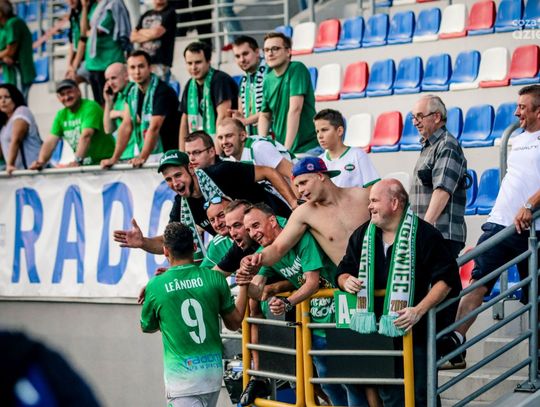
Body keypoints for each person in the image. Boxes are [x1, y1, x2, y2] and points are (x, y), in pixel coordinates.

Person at [440, 84, 540, 369]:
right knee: (478, 281)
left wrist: (530, 205)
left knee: (535, 296)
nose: (516, 112)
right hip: (500, 223)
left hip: (533, 230)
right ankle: (454, 345)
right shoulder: (518, 139)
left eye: (523, 107)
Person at [336, 178, 461, 406]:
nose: (369, 206)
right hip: (379, 335)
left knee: (421, 395)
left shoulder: (425, 234)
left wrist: (418, 310)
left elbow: (447, 280)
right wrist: (346, 281)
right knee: (390, 396)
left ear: (394, 203)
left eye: (375, 201)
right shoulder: (363, 234)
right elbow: (343, 270)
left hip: (417, 333)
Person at [113, 150, 296, 261]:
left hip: (280, 227)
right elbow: (169, 242)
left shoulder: (221, 173)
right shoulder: (181, 205)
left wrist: (294, 203)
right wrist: (143, 242)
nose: (175, 183)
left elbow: (268, 172)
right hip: (251, 248)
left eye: (178, 175)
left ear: (191, 168)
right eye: (168, 179)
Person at [141, 221, 248, 407]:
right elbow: (234, 323)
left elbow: (147, 326)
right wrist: (244, 285)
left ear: (165, 251)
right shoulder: (215, 278)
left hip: (182, 381)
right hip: (212, 375)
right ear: (194, 247)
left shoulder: (156, 286)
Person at [249, 156, 370, 267]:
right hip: (349, 279)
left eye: (303, 183)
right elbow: (277, 248)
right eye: (297, 186)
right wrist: (256, 259)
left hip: (380, 273)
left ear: (320, 176)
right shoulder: (304, 213)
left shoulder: (363, 196)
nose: (300, 190)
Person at [409, 95, 468, 259]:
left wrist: (424, 230)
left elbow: (442, 191)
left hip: (439, 235)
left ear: (436, 117)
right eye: (413, 117)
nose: (415, 122)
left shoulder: (446, 144)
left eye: (420, 116)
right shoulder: (430, 145)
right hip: (431, 234)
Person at [100, 50, 180, 168]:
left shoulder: (162, 91)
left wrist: (142, 157)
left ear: (150, 68)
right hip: (149, 155)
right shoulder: (132, 93)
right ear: (128, 71)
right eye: (132, 67)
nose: (137, 72)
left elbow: (154, 127)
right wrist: (114, 159)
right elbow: (126, 126)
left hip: (170, 153)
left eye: (141, 66)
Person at [30, 79, 114, 169]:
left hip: (105, 164)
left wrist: (77, 161)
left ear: (78, 92)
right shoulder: (61, 115)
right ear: (58, 98)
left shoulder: (90, 107)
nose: (66, 97)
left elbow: (86, 136)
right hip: (86, 166)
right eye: (62, 94)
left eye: (69, 92)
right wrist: (40, 162)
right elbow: (50, 142)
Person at [258, 32, 318, 155]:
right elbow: (265, 115)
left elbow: (295, 109)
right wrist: (262, 145)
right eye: (266, 50)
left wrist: (286, 151)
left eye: (275, 48)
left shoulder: (297, 69)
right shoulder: (267, 79)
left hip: (307, 148)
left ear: (288, 51)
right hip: (283, 149)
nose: (270, 53)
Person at [179, 42, 239, 151]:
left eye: (198, 62)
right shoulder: (190, 85)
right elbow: (184, 121)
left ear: (208, 61)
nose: (193, 67)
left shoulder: (220, 80)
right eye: (189, 63)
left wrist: (214, 155)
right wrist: (183, 154)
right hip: (203, 149)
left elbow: (223, 117)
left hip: (225, 147)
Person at [81, 0, 131, 105]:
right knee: (100, 103)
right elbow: (84, 31)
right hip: (93, 64)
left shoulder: (112, 5)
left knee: (112, 102)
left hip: (109, 62)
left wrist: (89, 32)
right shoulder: (95, 6)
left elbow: (98, 31)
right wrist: (84, 7)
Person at [315, 108, 379, 189]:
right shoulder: (318, 161)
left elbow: (373, 189)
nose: (320, 136)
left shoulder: (358, 155)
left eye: (324, 130)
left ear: (339, 131)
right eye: (317, 131)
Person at [216, 118, 293, 179]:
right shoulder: (232, 158)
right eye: (220, 138)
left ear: (242, 136)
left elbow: (293, 174)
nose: (224, 142)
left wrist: (295, 196)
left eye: (229, 136)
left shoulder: (259, 148)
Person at [0, 84, 42, 175]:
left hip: (33, 171)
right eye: (0, 98)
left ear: (15, 98)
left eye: (6, 97)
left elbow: (16, 140)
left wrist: (10, 164)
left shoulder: (22, 111)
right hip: (18, 174)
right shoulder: (4, 124)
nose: (3, 101)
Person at [130, 0, 176, 82]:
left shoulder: (170, 13)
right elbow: (133, 37)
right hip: (143, 62)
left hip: (160, 62)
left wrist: (141, 32)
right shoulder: (146, 14)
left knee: (158, 87)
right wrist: (151, 34)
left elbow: (157, 33)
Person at [0, 0, 36, 100]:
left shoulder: (13, 23)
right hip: (10, 74)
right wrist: (3, 57)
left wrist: (3, 56)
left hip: (20, 73)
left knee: (18, 104)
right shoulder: (3, 27)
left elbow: (10, 51)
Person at [231, 36, 266, 135]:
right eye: (237, 56)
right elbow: (241, 111)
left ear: (257, 52)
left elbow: (273, 108)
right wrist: (239, 117)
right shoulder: (243, 79)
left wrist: (246, 121)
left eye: (245, 54)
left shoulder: (270, 73)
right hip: (252, 136)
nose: (242, 59)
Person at [102, 62, 133, 161]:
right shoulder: (118, 96)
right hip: (123, 154)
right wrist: (108, 102)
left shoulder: (135, 91)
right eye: (107, 79)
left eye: (113, 78)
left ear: (126, 76)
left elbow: (139, 118)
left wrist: (118, 113)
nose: (110, 83)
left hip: (136, 153)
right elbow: (108, 129)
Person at [200, 196, 235, 269]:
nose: (217, 223)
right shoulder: (217, 243)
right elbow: (204, 273)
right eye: (212, 220)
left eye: (221, 215)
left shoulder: (252, 230)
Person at [65, 0, 95, 85]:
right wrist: (69, 65)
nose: (70, 1)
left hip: (90, 58)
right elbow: (71, 42)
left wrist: (74, 67)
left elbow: (83, 39)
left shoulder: (87, 11)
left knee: (71, 81)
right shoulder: (73, 14)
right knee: (68, 79)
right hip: (79, 58)